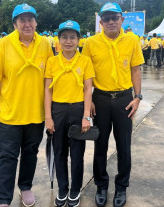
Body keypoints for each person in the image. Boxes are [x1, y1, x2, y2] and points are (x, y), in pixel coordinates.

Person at [0, 4, 53, 207]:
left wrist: (49, 114)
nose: (27, 24)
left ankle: (25, 187)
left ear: (36, 22)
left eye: (30, 20)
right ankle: (4, 200)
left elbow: (49, 81)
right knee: (7, 157)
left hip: (36, 113)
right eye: (22, 20)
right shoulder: (4, 44)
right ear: (15, 23)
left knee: (30, 153)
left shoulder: (45, 44)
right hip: (10, 114)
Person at [82, 2, 144, 207]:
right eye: (106, 18)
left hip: (124, 100)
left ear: (121, 20)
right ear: (101, 22)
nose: (110, 22)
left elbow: (136, 69)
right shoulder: (91, 43)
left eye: (114, 18)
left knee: (124, 146)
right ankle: (101, 185)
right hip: (100, 100)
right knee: (100, 146)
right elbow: (86, 76)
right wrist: (89, 100)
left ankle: (121, 187)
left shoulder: (132, 41)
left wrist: (138, 97)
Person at [45, 20, 94, 207]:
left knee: (77, 153)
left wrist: (86, 116)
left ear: (78, 40)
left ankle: (75, 190)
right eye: (64, 37)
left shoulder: (85, 61)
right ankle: (63, 188)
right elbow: (47, 90)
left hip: (78, 109)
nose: (68, 41)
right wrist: (48, 117)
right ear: (58, 40)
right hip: (57, 110)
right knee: (59, 152)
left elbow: (88, 89)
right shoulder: (52, 61)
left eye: (72, 37)